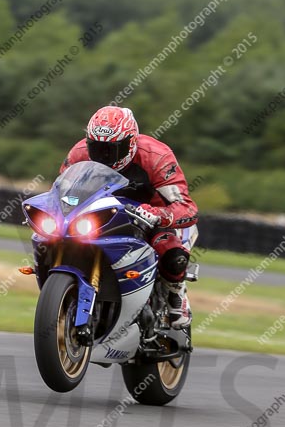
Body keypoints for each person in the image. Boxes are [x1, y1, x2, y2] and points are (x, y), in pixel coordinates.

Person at [60, 106, 199, 328]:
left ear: (131, 142)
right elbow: (63, 192)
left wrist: (158, 215)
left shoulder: (156, 156)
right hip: (99, 213)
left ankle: (176, 293)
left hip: (149, 215)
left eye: (113, 149)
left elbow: (186, 207)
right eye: (97, 148)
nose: (104, 155)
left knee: (173, 255)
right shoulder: (79, 153)